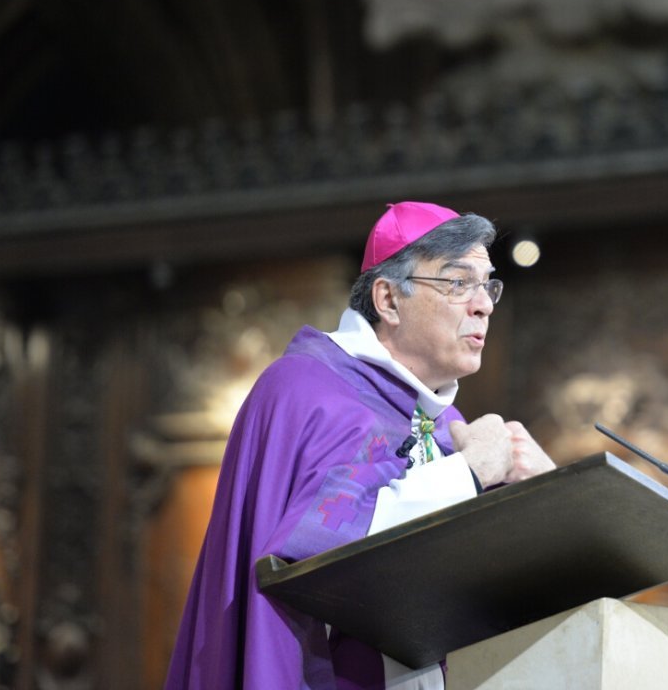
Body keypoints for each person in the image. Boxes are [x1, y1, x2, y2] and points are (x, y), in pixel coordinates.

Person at [164, 201, 556, 690]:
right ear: (389, 300)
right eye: (458, 283)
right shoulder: (308, 390)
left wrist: (548, 494)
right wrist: (469, 472)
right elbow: (322, 549)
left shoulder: (447, 423)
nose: (484, 305)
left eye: (487, 284)